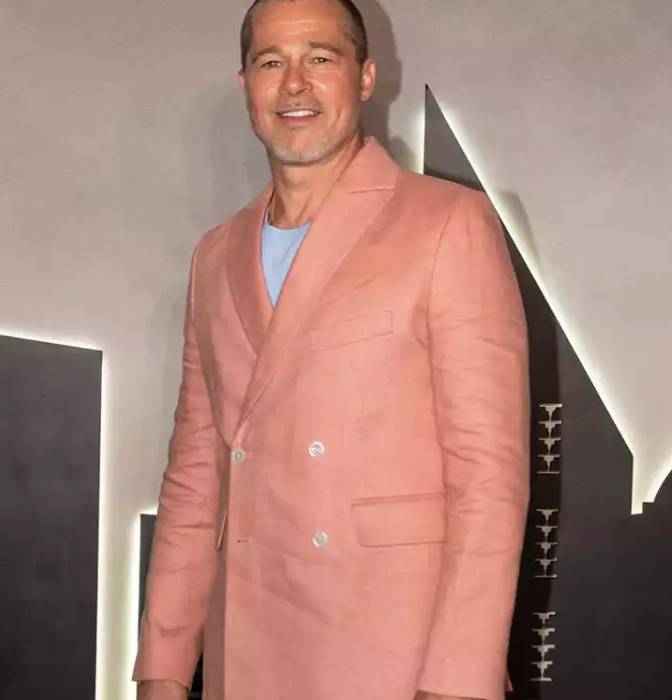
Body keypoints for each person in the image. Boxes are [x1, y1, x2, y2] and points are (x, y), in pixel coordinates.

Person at [133, 1, 530, 698]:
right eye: (271, 62)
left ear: (365, 77)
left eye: (319, 58)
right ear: (246, 84)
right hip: (249, 647)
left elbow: (488, 475)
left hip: (393, 651)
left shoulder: (447, 224)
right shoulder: (214, 256)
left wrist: (459, 678)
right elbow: (195, 477)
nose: (294, 84)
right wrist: (162, 664)